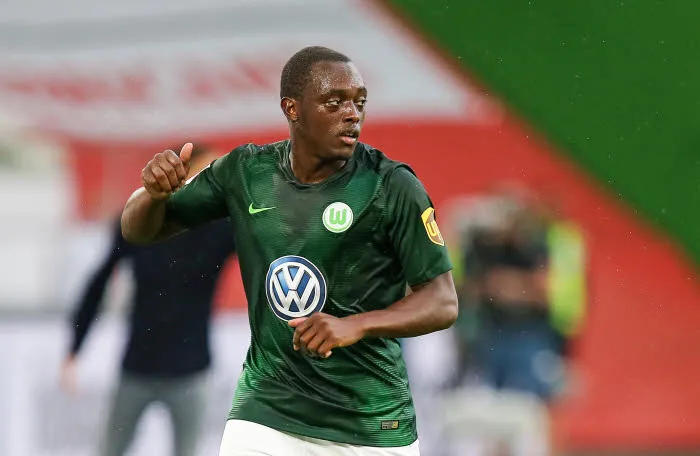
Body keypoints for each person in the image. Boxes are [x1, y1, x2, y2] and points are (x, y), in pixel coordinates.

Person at [120, 46, 458, 456]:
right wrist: (153, 195)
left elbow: (442, 301)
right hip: (266, 412)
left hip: (369, 423)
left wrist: (357, 325)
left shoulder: (392, 186)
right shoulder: (245, 171)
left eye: (359, 102)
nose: (352, 114)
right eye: (334, 102)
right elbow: (138, 230)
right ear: (292, 108)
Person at [61, 144, 237, 456]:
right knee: (111, 449)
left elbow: (265, 253)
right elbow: (99, 282)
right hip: (138, 366)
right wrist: (75, 348)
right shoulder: (143, 218)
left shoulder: (221, 228)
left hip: (191, 368)